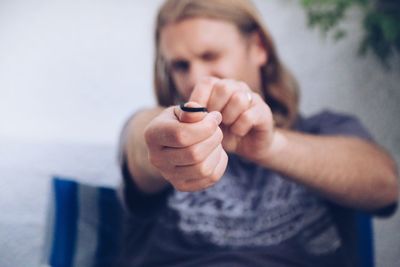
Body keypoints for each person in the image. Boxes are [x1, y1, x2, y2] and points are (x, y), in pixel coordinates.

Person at [118, 0, 399, 266]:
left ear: (258, 48)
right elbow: (140, 142)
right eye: (180, 65)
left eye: (210, 55)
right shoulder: (162, 129)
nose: (195, 78)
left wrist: (271, 146)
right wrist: (166, 141)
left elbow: (385, 187)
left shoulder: (326, 130)